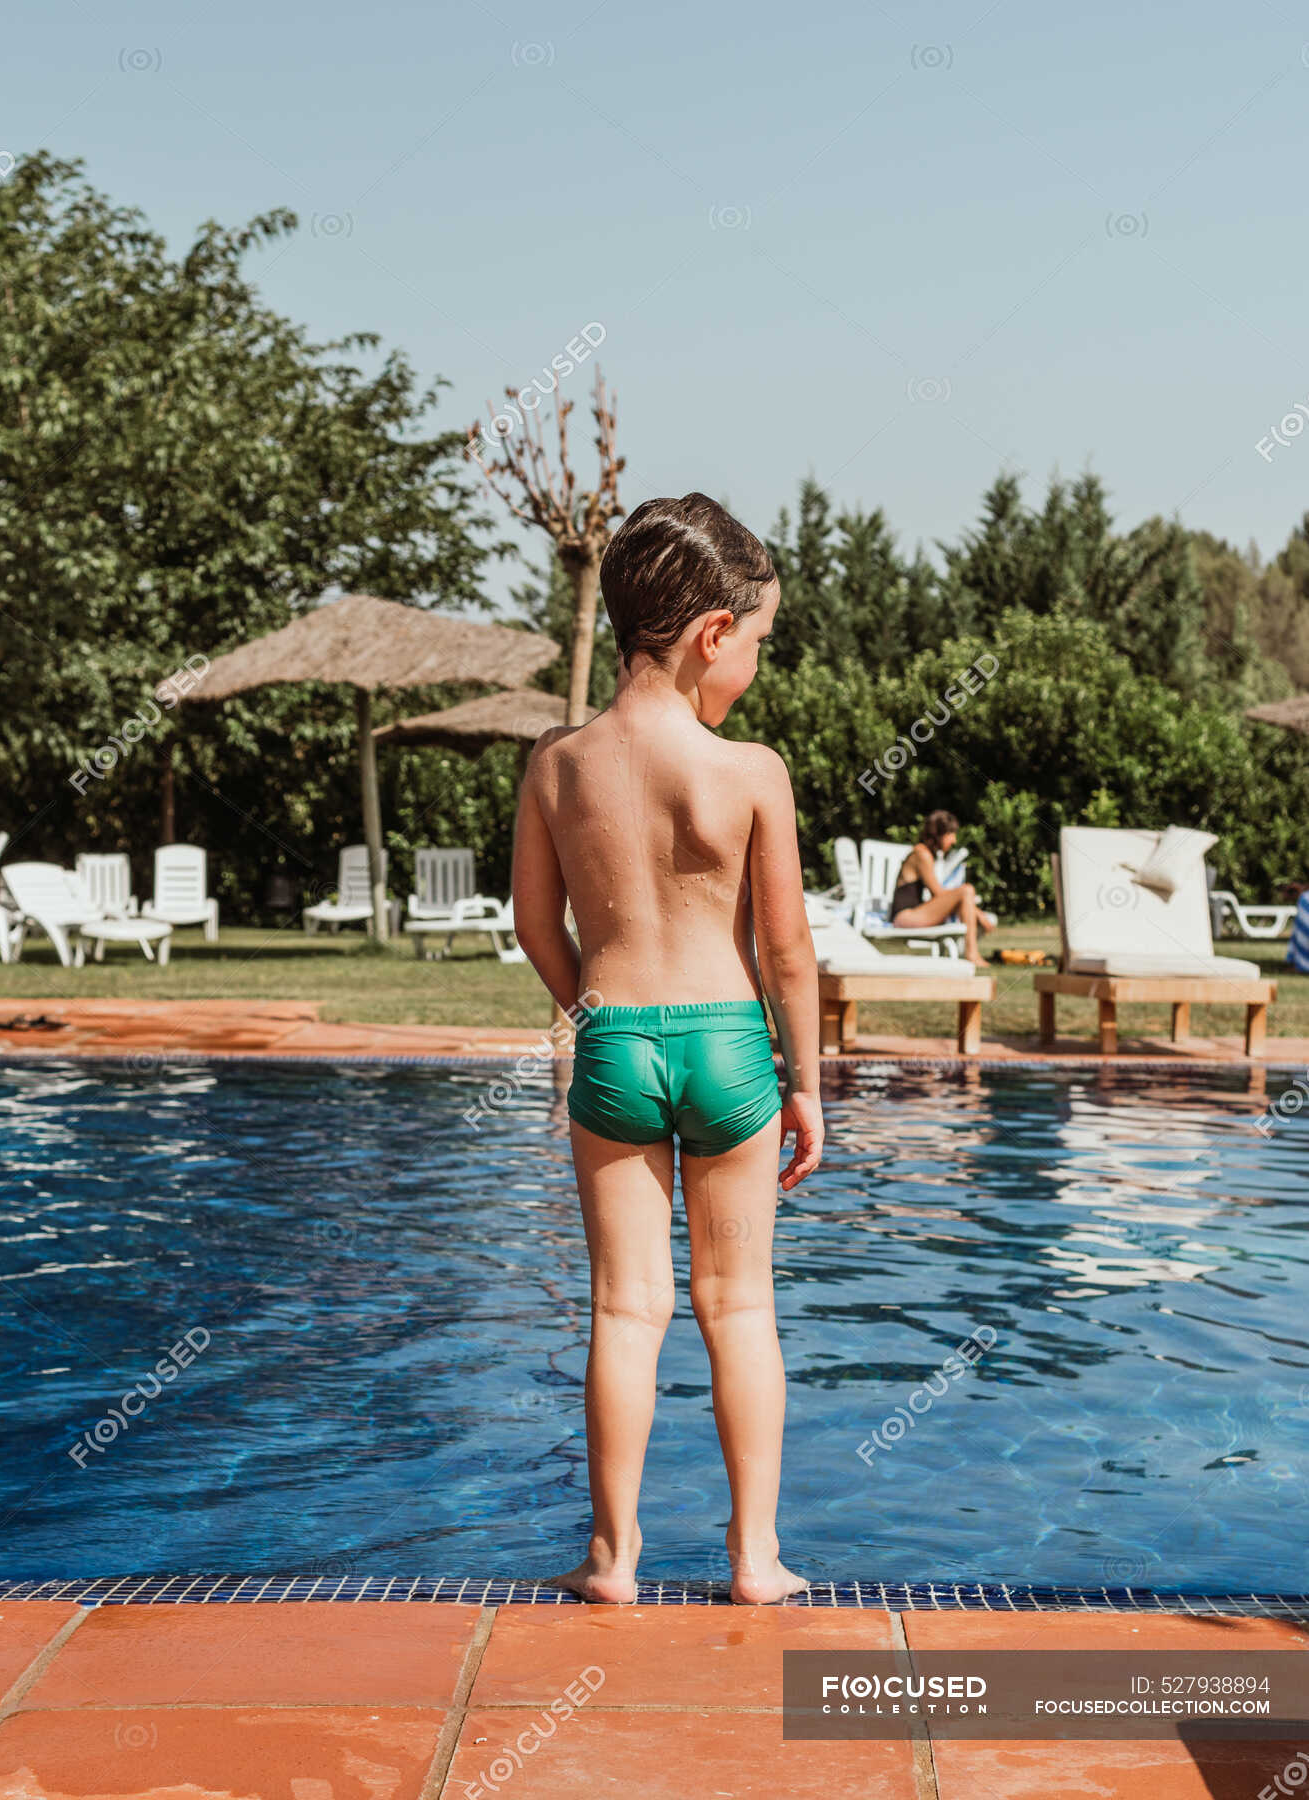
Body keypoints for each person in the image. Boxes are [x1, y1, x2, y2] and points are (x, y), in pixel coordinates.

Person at [511, 493, 824, 1606]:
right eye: (759, 640)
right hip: (730, 1049)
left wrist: (589, 1009)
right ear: (709, 636)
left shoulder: (555, 765)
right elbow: (788, 953)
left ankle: (612, 1559)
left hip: (615, 1048)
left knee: (623, 1309)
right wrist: (805, 1086)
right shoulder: (750, 773)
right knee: (738, 1307)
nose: (757, 663)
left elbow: (533, 926)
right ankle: (753, 1559)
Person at [889, 810, 997, 966]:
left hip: (914, 913)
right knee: (966, 890)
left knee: (965, 893)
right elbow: (938, 893)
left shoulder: (927, 854)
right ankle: (971, 953)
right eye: (950, 834)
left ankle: (969, 951)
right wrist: (978, 913)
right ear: (937, 834)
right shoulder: (921, 854)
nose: (954, 840)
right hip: (905, 917)